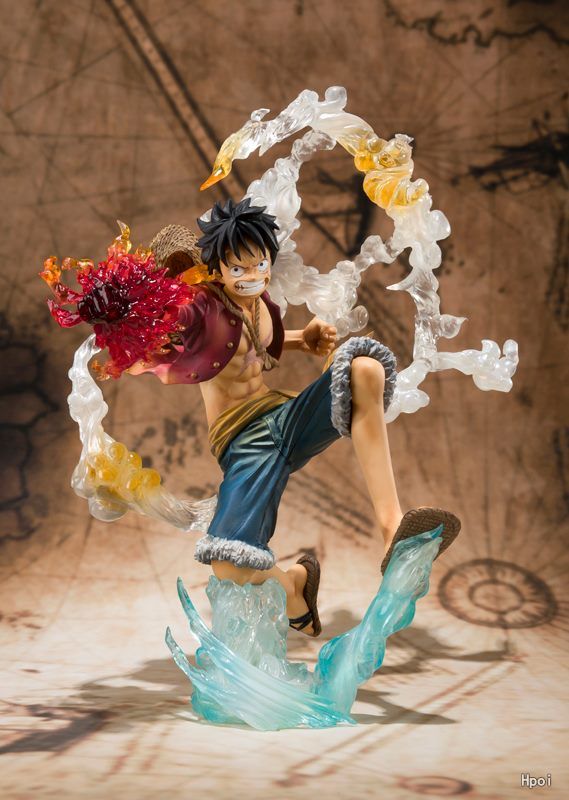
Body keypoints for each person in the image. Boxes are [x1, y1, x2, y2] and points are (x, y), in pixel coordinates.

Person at [134, 198, 461, 636]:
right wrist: (131, 320)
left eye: (259, 264)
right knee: (228, 564)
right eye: (238, 268)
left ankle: (393, 528)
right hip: (245, 442)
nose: (252, 276)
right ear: (216, 271)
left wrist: (303, 339)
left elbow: (256, 343)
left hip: (283, 417)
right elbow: (183, 326)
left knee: (363, 369)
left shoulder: (260, 305)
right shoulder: (203, 308)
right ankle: (294, 587)